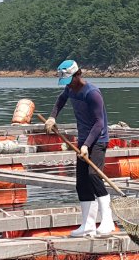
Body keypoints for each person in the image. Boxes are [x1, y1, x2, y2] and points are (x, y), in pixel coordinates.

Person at [45, 59, 116, 237]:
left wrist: (86, 145)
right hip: (83, 140)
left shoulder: (92, 93)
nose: (68, 84)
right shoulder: (70, 89)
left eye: (70, 79)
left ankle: (108, 221)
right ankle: (88, 224)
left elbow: (99, 123)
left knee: (94, 176)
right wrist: (52, 117)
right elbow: (60, 100)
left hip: (98, 140)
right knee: (81, 182)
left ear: (78, 74)